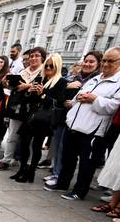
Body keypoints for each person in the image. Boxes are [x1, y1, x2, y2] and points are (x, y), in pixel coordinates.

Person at [46, 47, 120, 200]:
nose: (105, 64)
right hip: (75, 125)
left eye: (110, 61)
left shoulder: (117, 83)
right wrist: (74, 102)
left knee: (87, 163)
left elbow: (114, 106)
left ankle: (79, 191)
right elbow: (78, 97)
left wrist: (94, 99)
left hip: (94, 130)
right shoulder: (95, 78)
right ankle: (62, 183)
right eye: (104, 60)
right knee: (68, 157)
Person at [11, 53, 66, 183]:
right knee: (24, 143)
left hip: (43, 119)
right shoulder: (40, 79)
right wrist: (29, 92)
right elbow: (27, 99)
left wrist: (43, 95)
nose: (48, 68)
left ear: (57, 67)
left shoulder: (61, 82)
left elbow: (59, 102)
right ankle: (22, 169)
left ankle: (31, 172)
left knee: (36, 146)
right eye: (46, 66)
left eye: (51, 66)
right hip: (31, 116)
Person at [0, 47, 46, 170]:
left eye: (36, 56)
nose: (33, 58)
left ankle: (26, 162)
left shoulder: (44, 72)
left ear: (42, 58)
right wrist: (8, 84)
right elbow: (15, 88)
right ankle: (7, 159)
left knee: (29, 137)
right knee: (12, 135)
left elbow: (46, 87)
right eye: (32, 56)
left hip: (34, 109)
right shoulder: (23, 72)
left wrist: (28, 86)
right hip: (18, 107)